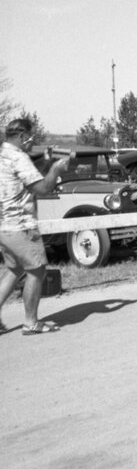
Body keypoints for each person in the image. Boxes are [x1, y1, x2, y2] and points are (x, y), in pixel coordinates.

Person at [0, 116, 72, 334]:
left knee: (14, 270)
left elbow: (26, 178)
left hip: (4, 226)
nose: (32, 143)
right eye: (30, 138)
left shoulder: (4, 155)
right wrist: (56, 170)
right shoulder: (19, 158)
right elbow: (42, 188)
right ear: (22, 137)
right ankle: (31, 322)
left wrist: (45, 161)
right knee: (37, 270)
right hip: (22, 225)